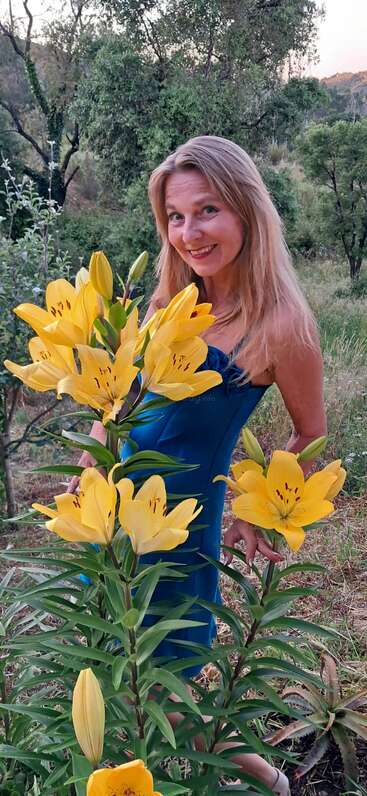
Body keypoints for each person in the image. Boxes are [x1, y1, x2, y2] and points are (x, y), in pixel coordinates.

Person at [70, 136, 326, 794]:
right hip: (111, 518)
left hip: (178, 527)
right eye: (175, 217)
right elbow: (117, 394)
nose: (189, 233)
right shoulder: (167, 304)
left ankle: (268, 781)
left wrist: (254, 509)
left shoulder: (281, 325)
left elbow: (309, 432)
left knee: (164, 683)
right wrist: (91, 462)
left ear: (246, 209)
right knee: (114, 670)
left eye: (207, 210)